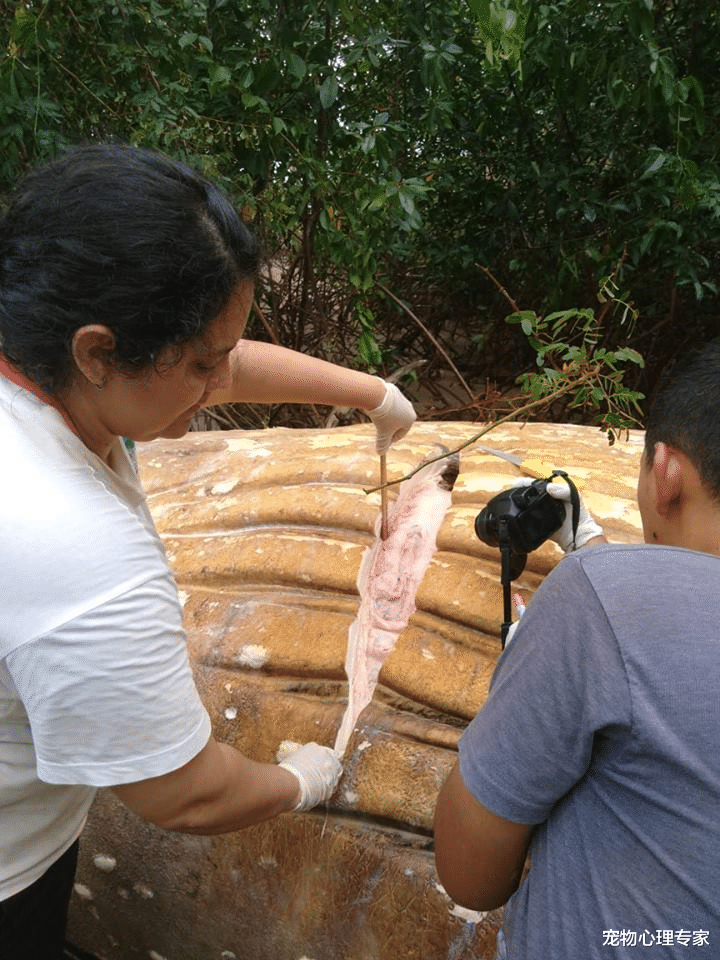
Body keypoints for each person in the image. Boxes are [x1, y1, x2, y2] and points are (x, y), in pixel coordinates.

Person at [0, 143, 417, 959]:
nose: (216, 382)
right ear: (95, 350)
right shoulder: (74, 540)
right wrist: (298, 781)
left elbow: (218, 361)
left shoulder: (36, 349)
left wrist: (371, 393)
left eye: (221, 353)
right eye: (198, 365)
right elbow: (181, 793)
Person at [434, 340, 720, 959]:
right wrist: (592, 548)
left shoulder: (597, 603)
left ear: (664, 472)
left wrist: (531, 679)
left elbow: (470, 878)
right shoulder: (609, 597)